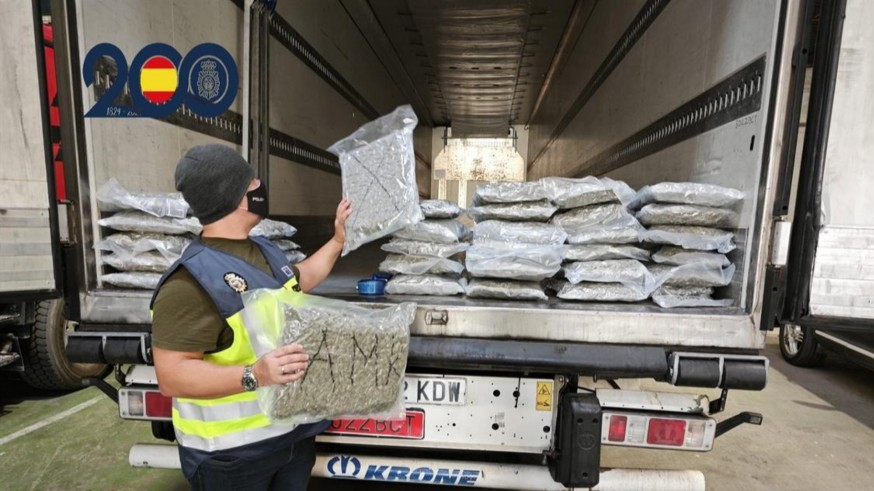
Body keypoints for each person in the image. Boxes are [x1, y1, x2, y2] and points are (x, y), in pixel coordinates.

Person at [150, 144, 351, 490]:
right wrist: (253, 375)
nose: (260, 184)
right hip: (231, 458)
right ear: (237, 198)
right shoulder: (189, 282)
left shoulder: (264, 250)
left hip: (290, 438)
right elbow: (172, 376)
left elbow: (298, 280)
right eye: (252, 181)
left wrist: (337, 240)